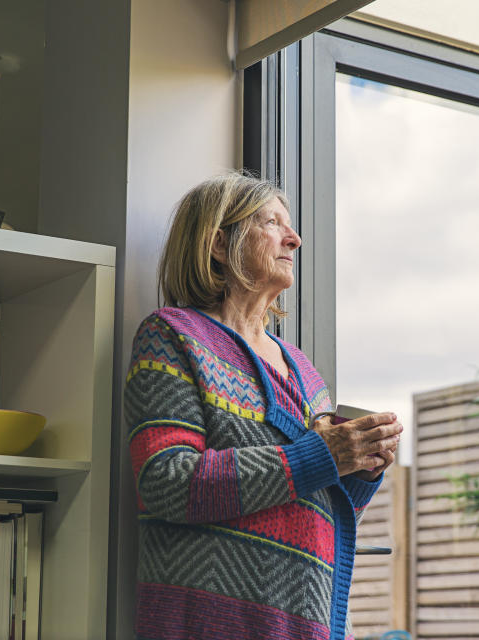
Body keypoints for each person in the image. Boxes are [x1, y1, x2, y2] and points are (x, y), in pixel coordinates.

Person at [124, 171, 403, 640]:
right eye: (272, 223)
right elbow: (166, 482)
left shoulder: (303, 369)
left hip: (305, 622)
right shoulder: (172, 335)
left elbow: (321, 506)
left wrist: (361, 465)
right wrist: (323, 455)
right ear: (218, 243)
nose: (294, 239)